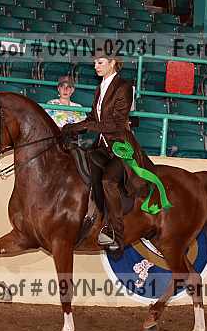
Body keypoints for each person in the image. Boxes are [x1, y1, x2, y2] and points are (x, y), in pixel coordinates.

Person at [62, 51, 153, 254]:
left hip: (121, 148)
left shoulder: (124, 87)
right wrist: (72, 127)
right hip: (102, 146)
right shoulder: (100, 88)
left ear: (112, 63)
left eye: (100, 62)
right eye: (95, 62)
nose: (96, 66)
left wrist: (85, 127)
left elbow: (117, 123)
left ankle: (117, 234)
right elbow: (93, 118)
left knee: (108, 181)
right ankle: (94, 221)